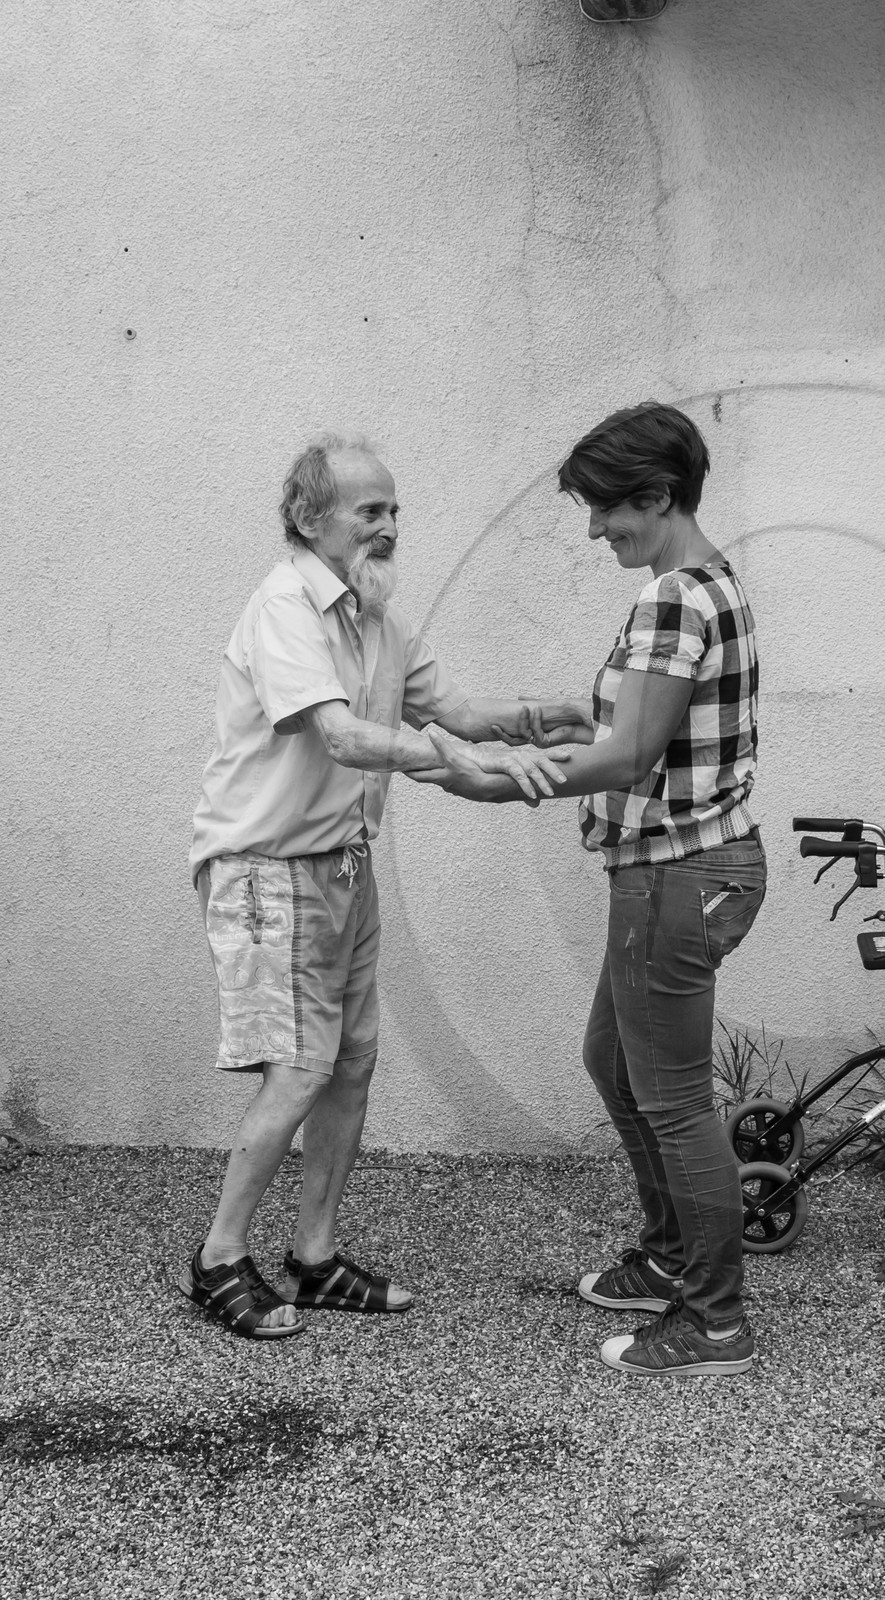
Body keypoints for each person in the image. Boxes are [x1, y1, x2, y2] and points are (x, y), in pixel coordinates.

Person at [182, 431, 588, 1339]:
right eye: (371, 511)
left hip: (341, 868)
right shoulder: (284, 606)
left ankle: (314, 1259)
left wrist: (534, 719)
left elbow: (452, 713)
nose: (390, 526)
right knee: (299, 1072)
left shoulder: (376, 615)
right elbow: (342, 736)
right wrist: (452, 757)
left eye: (396, 509)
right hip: (267, 872)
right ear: (309, 518)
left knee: (352, 1065)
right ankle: (217, 1260)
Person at [423, 402, 764, 1377]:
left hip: (675, 877)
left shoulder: (674, 600)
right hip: (681, 868)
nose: (593, 530)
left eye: (606, 509)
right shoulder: (706, 584)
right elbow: (638, 729)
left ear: (656, 497)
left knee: (672, 1097)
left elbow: (630, 753)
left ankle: (715, 1320)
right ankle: (669, 1254)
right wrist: (535, 726)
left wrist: (490, 777)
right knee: (613, 1062)